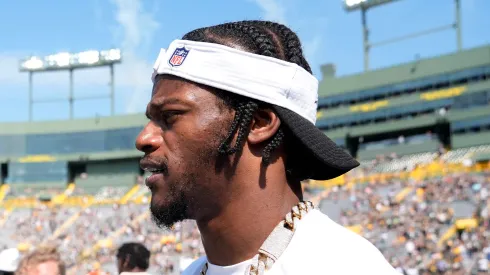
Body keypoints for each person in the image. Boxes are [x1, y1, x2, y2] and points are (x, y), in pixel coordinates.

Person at [136, 20, 399, 274]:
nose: (144, 139)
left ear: (258, 124)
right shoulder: (194, 271)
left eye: (170, 116)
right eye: (151, 119)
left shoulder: (342, 267)